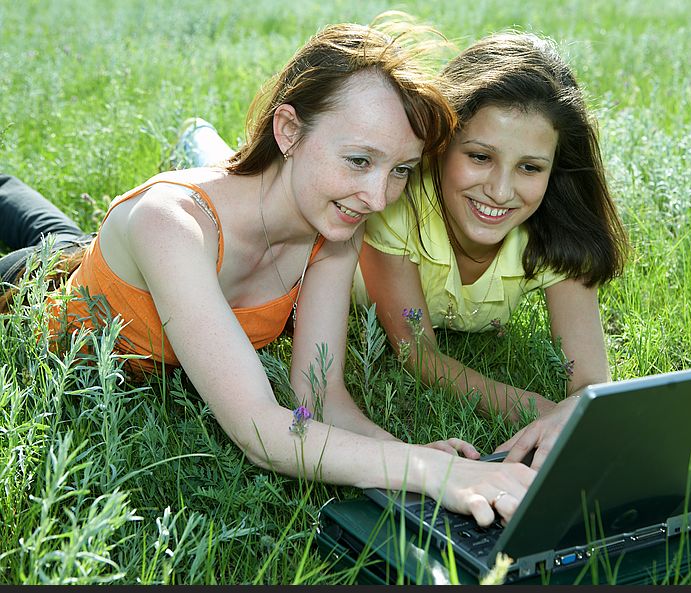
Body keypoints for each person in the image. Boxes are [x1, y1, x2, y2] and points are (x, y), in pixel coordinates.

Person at [0, 20, 535, 528]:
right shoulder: (171, 224)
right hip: (37, 287)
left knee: (63, 233)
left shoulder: (338, 229)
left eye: (399, 171)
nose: (377, 197)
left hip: (133, 263)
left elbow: (318, 398)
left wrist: (405, 454)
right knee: (52, 243)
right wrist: (436, 473)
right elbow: (261, 430)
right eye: (358, 161)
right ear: (288, 131)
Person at [355, 32, 629, 471]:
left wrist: (576, 409)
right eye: (480, 157)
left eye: (529, 167)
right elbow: (419, 353)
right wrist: (545, 412)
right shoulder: (395, 202)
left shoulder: (556, 230)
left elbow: (589, 384)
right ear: (442, 144)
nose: (500, 191)